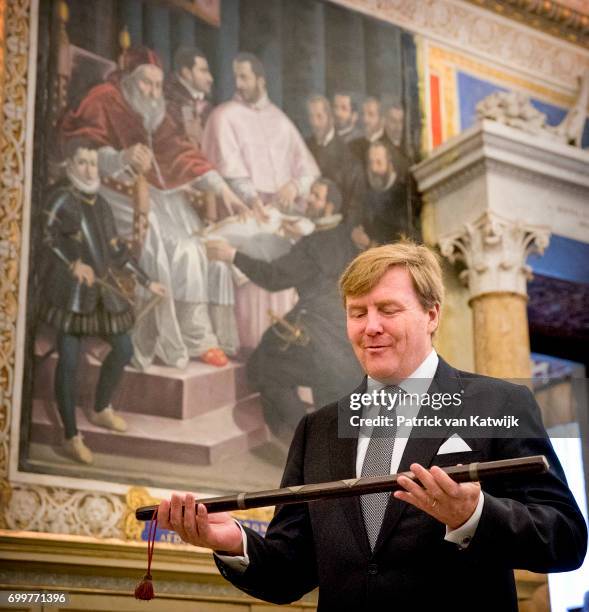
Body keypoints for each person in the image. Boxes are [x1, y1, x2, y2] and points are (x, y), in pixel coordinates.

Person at [158, 240, 587, 610]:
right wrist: (232, 540)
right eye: (357, 312)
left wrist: (474, 514)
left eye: (387, 309)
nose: (370, 327)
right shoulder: (318, 429)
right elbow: (290, 572)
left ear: (432, 315)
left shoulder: (500, 402)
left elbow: (567, 537)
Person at [59, 46, 247, 370]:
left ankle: (197, 336)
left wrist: (221, 188)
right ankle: (154, 339)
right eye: (146, 83)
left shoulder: (157, 113)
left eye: (158, 85)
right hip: (108, 191)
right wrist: (120, 158)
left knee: (192, 247)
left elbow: (181, 153)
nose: (153, 91)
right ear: (129, 79)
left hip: (155, 194)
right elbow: (79, 147)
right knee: (157, 242)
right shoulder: (104, 99)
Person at [205, 178, 364, 439]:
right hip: (347, 342)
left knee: (264, 365)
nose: (308, 199)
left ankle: (301, 441)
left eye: (315, 196)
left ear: (328, 207)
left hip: (319, 334)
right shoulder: (344, 236)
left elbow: (275, 276)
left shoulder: (314, 244)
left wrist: (232, 255)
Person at [39, 141, 166, 464]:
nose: (88, 170)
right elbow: (45, 237)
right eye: (82, 163)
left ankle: (99, 408)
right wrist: (72, 264)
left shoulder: (102, 205)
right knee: (68, 363)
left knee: (123, 348)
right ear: (71, 166)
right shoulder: (60, 198)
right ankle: (70, 436)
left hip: (100, 294)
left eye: (93, 164)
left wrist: (147, 279)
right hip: (70, 295)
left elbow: (118, 253)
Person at [202, 52, 319, 216]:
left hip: (285, 213)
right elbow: (231, 172)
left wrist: (295, 187)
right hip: (244, 212)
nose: (238, 84)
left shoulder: (281, 120)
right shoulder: (223, 116)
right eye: (236, 77)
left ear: (261, 81)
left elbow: (309, 170)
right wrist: (253, 199)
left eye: (244, 77)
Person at [305, 95, 365, 226]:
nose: (314, 123)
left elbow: (354, 207)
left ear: (330, 118)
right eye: (311, 116)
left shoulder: (348, 156)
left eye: (319, 116)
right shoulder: (305, 147)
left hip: (334, 228)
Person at [164, 46, 214, 147]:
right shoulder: (170, 103)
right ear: (187, 73)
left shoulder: (204, 104)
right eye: (203, 71)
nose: (210, 78)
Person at [363, 140, 410, 245]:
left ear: (390, 163)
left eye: (379, 163)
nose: (373, 169)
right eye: (371, 163)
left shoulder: (404, 193)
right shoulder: (368, 196)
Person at [349, 96, 386, 165]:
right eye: (362, 114)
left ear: (381, 119)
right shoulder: (352, 146)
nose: (365, 119)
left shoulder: (388, 148)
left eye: (371, 114)